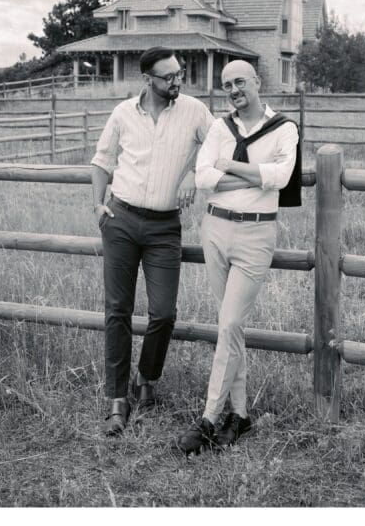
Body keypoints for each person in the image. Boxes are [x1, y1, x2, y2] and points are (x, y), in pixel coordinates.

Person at [175, 60, 299, 455]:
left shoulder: (284, 128)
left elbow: (280, 179)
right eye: (227, 84)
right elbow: (202, 177)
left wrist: (227, 165)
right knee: (231, 329)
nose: (233, 89)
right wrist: (250, 173)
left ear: (258, 82)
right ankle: (240, 415)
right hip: (215, 229)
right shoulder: (219, 127)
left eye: (240, 81)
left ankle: (209, 418)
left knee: (228, 324)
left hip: (255, 233)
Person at [92, 47, 214, 436]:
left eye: (180, 73)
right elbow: (102, 160)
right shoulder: (123, 113)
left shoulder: (195, 111)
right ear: (147, 80)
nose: (177, 80)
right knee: (117, 311)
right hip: (122, 219)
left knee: (164, 312)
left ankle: (146, 377)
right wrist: (97, 205)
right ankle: (117, 400)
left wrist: (196, 172)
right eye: (168, 76)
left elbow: (220, 147)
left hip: (164, 227)